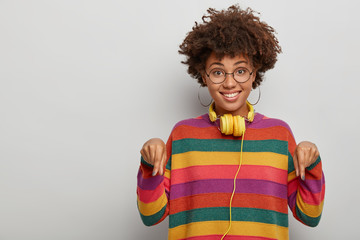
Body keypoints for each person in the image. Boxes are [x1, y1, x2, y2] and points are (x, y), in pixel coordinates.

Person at [136, 5, 325, 240]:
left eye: (241, 71)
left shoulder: (279, 134)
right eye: (217, 72)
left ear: (254, 73)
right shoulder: (183, 134)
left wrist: (312, 164)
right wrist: (149, 163)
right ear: (203, 76)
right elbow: (151, 215)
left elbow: (310, 215)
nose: (229, 83)